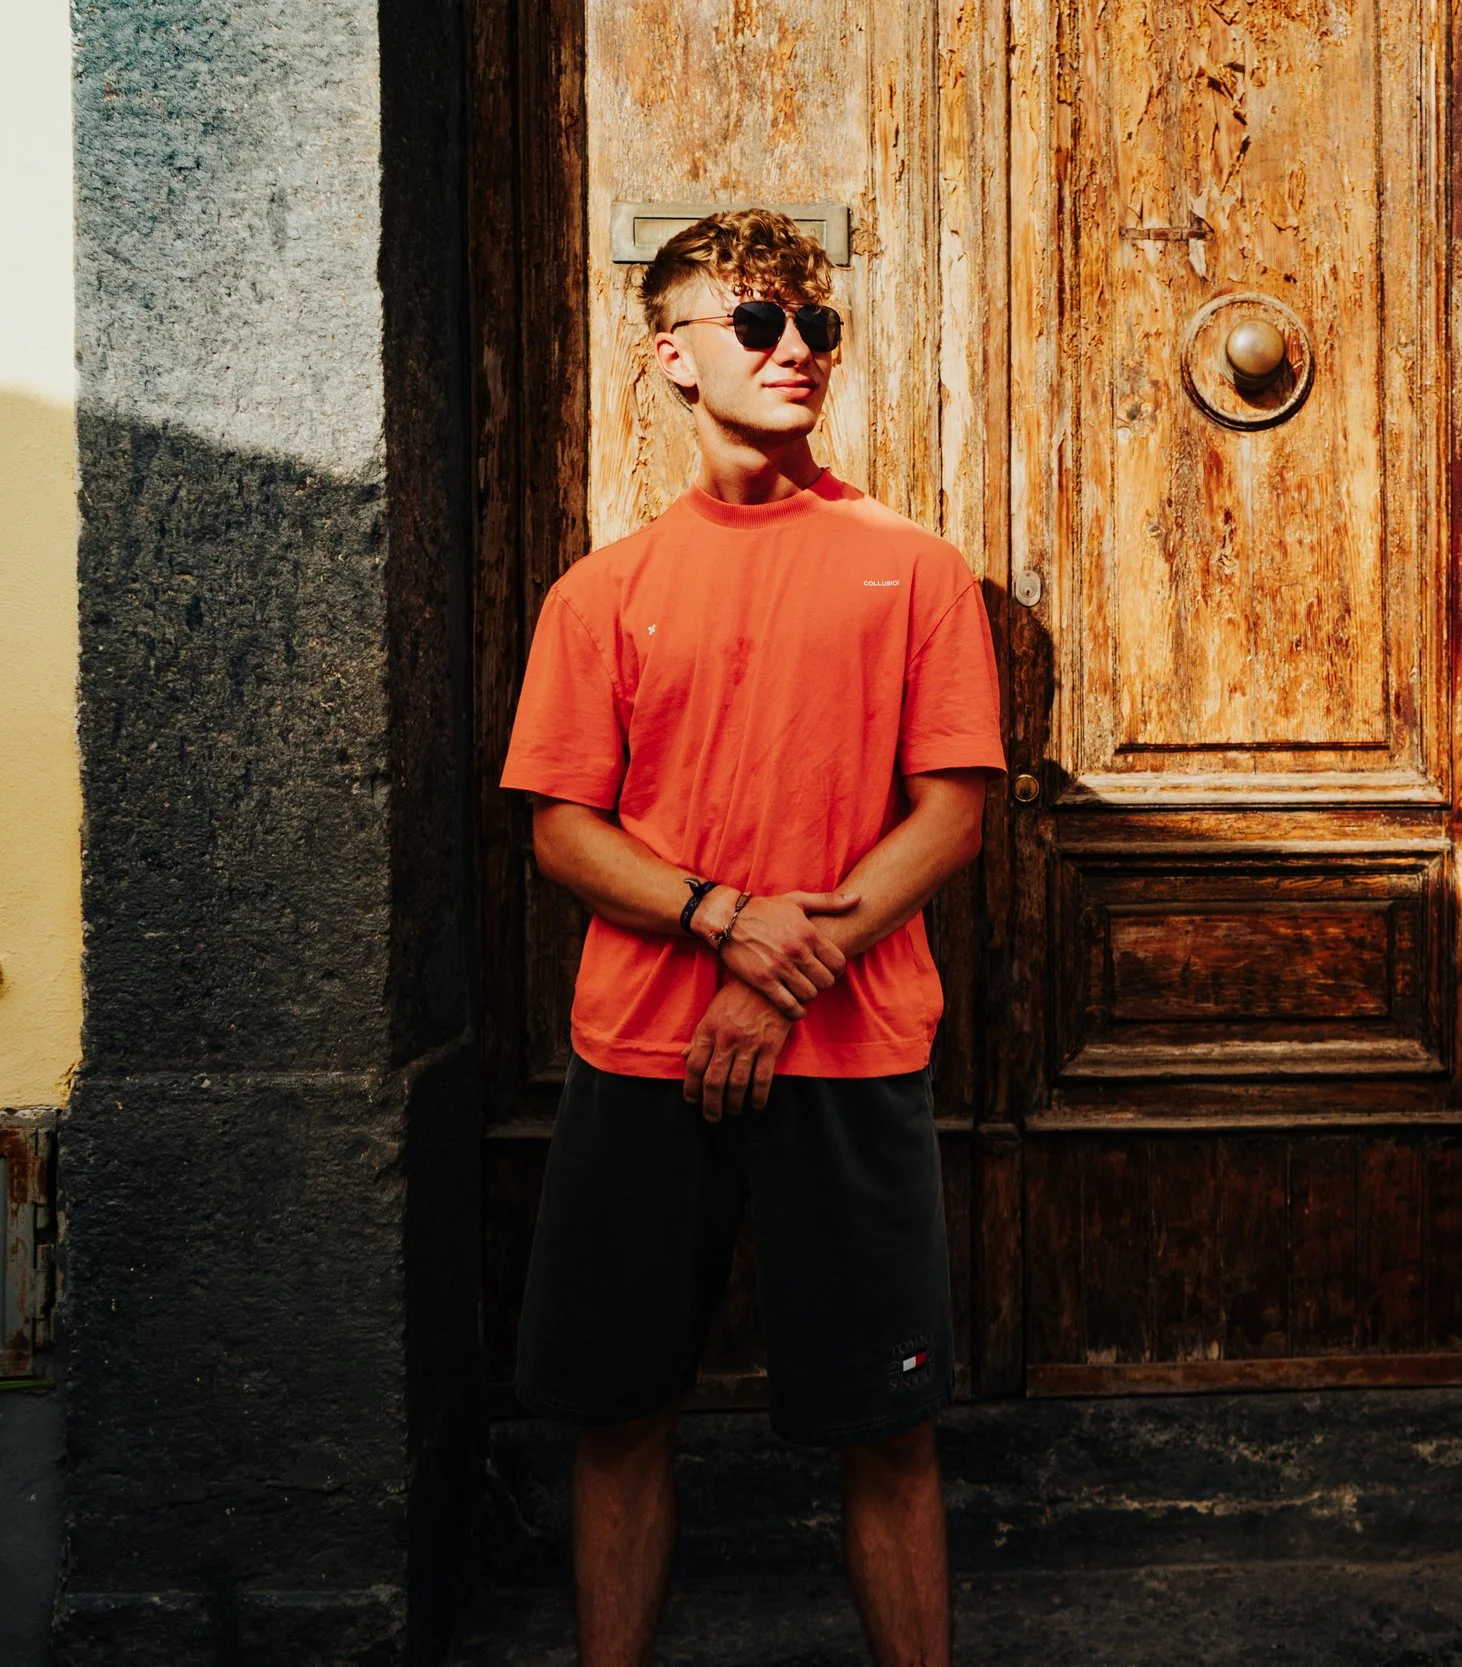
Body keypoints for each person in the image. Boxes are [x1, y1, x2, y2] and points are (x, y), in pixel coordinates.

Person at [499, 207, 1001, 1667]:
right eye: (760, 324)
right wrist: (721, 919)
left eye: (816, 326)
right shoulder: (603, 591)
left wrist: (781, 983)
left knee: (889, 1426)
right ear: (673, 355)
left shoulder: (914, 567)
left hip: (852, 1053)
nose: (798, 351)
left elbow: (951, 818)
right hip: (643, 1053)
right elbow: (562, 829)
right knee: (617, 1413)